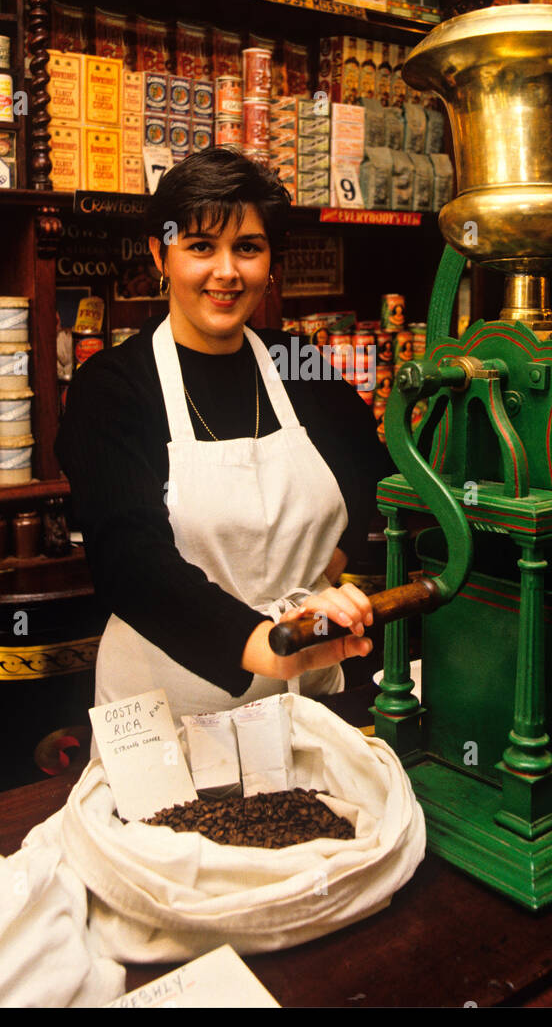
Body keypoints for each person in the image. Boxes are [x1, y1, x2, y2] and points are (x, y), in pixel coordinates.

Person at [56, 149, 389, 722]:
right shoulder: (111, 387)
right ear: (161, 254)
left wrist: (314, 587)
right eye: (201, 246)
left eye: (248, 248)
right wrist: (263, 643)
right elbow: (127, 560)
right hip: (172, 703)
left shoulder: (295, 363)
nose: (227, 272)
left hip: (308, 689)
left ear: (270, 261)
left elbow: (374, 481)